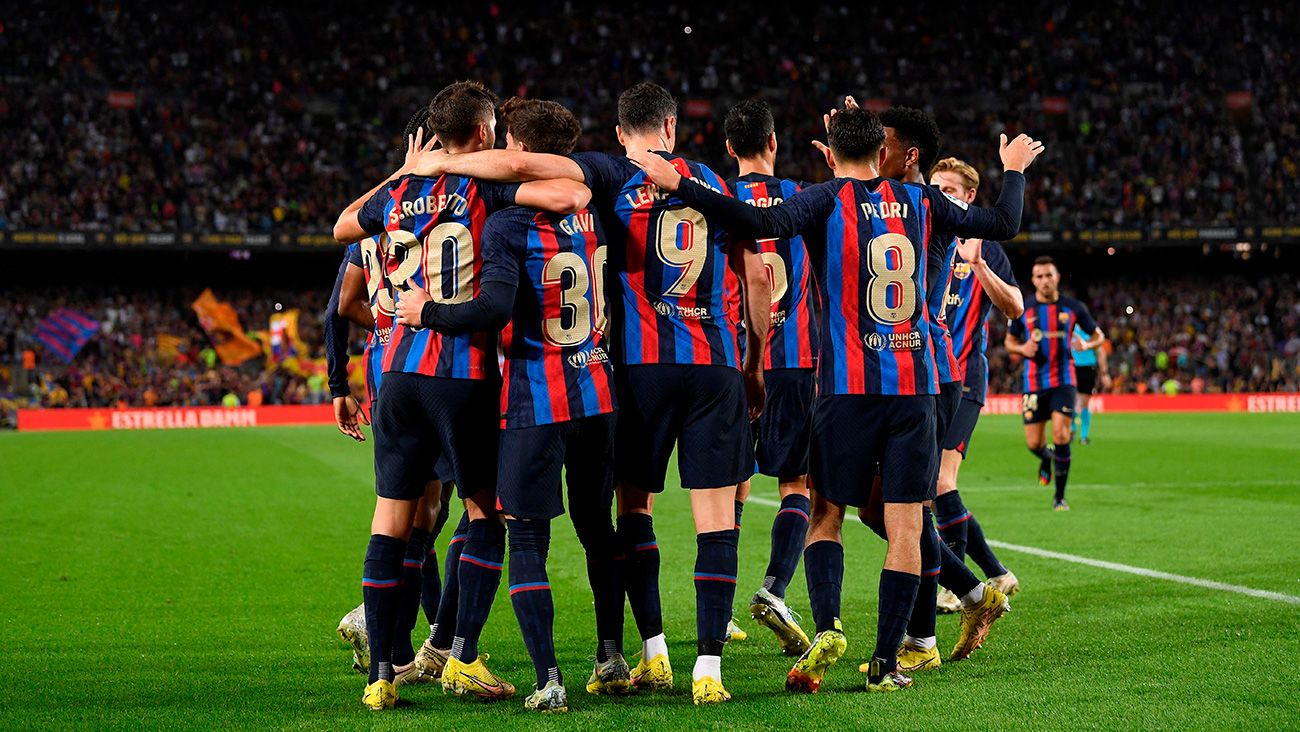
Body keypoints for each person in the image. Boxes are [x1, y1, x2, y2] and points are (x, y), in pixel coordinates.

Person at [626, 104, 1042, 693]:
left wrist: (682, 184)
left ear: (829, 150)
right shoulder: (924, 203)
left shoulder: (823, 201)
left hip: (844, 389)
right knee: (903, 526)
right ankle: (886, 663)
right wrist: (1014, 167)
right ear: (882, 152)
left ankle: (829, 624)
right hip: (915, 388)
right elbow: (1004, 222)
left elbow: (746, 216)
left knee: (827, 513)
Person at [412, 81, 772, 705]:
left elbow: (528, 179)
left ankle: (636, 654)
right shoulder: (707, 182)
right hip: (681, 371)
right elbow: (757, 272)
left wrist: (438, 163)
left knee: (607, 519)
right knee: (699, 524)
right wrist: (757, 358)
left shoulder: (601, 179)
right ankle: (691, 665)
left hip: (612, 380)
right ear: (671, 129)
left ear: (618, 133)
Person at [331, 80, 590, 711]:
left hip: (393, 373)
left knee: (391, 522)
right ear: (481, 135)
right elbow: (570, 188)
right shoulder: (485, 186)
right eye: (494, 134)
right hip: (461, 374)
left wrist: (406, 171)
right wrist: (461, 166)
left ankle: (382, 678)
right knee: (484, 517)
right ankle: (461, 658)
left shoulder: (395, 195)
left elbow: (342, 227)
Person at [396, 97, 627, 713]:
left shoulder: (503, 219)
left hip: (536, 397)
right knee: (597, 527)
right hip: (598, 392)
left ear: (519, 151)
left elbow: (494, 309)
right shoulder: (597, 197)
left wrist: (430, 312)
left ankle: (549, 676)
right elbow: (567, 197)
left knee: (526, 538)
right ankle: (611, 655)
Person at [722, 99, 815, 658]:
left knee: (728, 488)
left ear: (730, 149)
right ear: (774, 143)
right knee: (795, 484)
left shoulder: (717, 198)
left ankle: (723, 611)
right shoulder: (808, 199)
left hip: (730, 361)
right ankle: (775, 588)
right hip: (794, 360)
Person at [929, 157, 1026, 607]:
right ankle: (996, 573)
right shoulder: (920, 236)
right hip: (926, 376)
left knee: (941, 484)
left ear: (969, 198)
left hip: (964, 375)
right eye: (936, 186)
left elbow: (1015, 308)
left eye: (951, 190)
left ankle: (955, 585)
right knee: (928, 487)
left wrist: (981, 266)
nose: (941, 195)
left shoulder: (986, 244)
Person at [1005, 256, 1104, 511]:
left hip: (1064, 380)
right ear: (1033, 280)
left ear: (1057, 277)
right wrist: (1022, 348)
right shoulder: (1023, 309)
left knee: (1061, 434)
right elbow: (1009, 342)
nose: (1045, 280)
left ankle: (1059, 497)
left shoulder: (1074, 308)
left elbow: (1098, 336)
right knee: (1033, 444)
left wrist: (1087, 344)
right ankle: (1046, 457)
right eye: (1039, 276)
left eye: (1049, 275)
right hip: (1034, 382)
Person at [1071, 322, 1111, 444]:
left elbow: (1100, 352)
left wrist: (1104, 373)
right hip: (1071, 367)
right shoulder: (1068, 328)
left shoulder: (1091, 331)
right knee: (1071, 400)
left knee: (1084, 402)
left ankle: (1083, 436)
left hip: (1088, 368)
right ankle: (1071, 430)